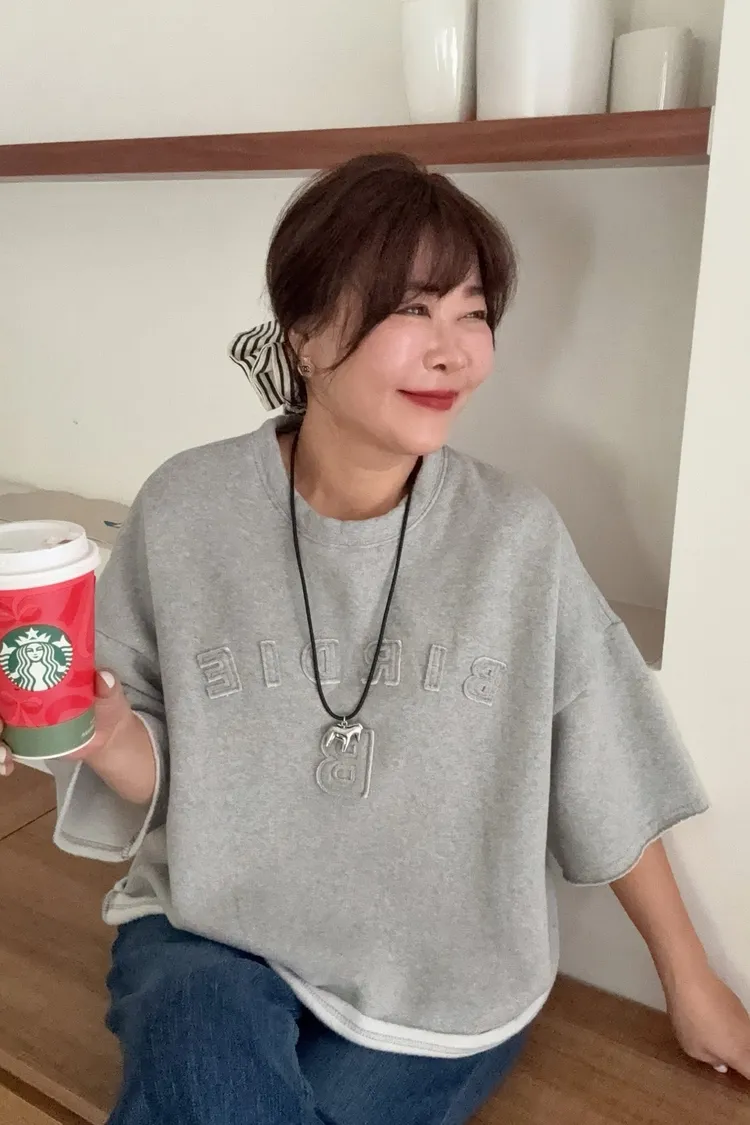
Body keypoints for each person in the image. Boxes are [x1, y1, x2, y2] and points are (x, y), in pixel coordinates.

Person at [2, 152, 749, 1124]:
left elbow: (607, 764)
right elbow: (178, 775)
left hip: (438, 985)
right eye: (412, 310)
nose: (454, 352)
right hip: (212, 934)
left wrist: (690, 980)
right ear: (305, 333)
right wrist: (105, 735)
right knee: (208, 1060)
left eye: (473, 314)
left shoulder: (513, 539)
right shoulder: (187, 510)